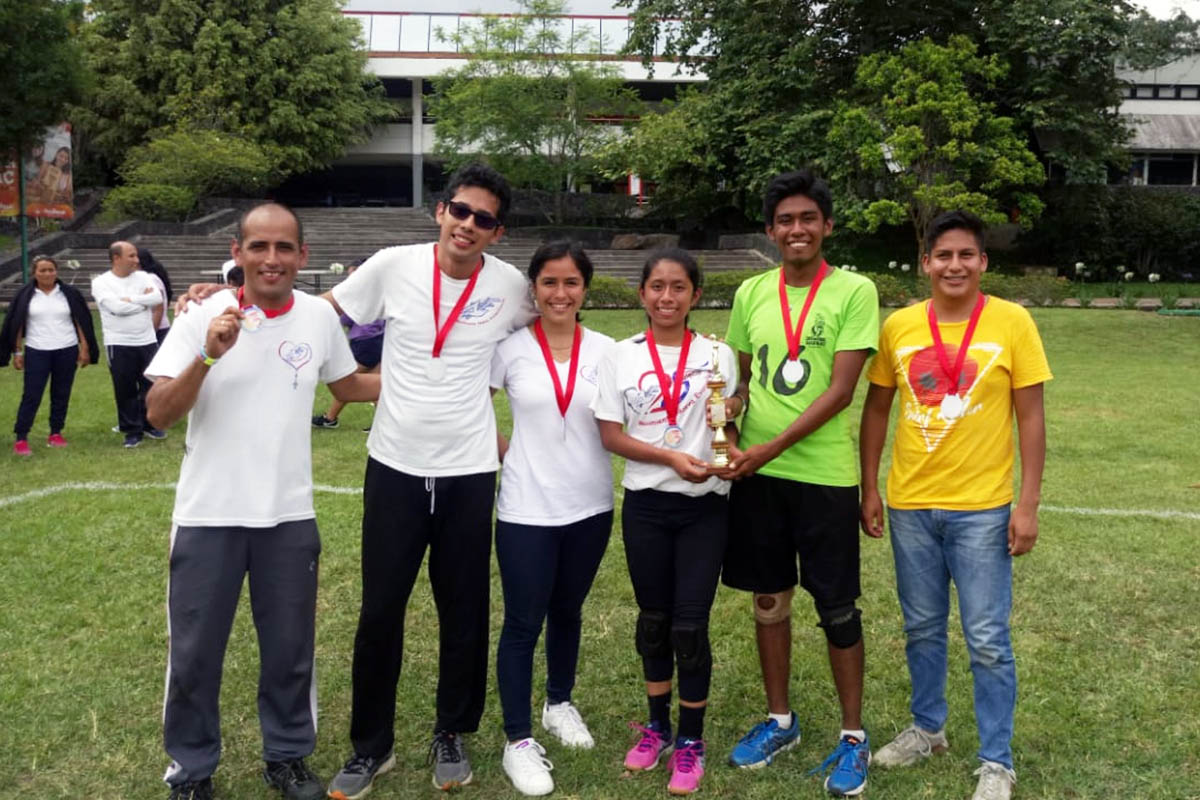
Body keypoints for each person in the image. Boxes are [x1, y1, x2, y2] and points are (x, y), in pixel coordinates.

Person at [145, 203, 380, 800]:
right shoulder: (202, 315)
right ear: (237, 251)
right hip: (208, 515)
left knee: (290, 648)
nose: (271, 259)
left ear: (302, 255)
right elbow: (159, 414)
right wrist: (207, 356)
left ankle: (288, 757)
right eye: (259, 246)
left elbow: (347, 385)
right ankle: (192, 771)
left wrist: (434, 374)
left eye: (284, 248)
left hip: (288, 515)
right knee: (195, 654)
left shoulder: (318, 318)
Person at [324, 163, 536, 798]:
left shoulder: (511, 285)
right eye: (461, 211)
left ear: (498, 233)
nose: (469, 225)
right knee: (380, 610)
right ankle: (371, 746)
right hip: (394, 465)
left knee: (463, 607)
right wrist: (232, 299)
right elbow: (319, 315)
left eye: (485, 219)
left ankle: (452, 731)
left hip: (470, 469)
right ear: (440, 211)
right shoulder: (392, 264)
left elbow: (556, 321)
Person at [859, 211, 1051, 800]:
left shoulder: (1013, 322)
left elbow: (1031, 415)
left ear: (983, 263)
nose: (954, 265)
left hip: (983, 508)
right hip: (911, 504)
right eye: (943, 256)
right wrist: (870, 487)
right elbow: (876, 410)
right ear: (926, 263)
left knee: (987, 636)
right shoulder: (900, 326)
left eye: (967, 255)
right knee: (921, 628)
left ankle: (997, 759)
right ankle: (927, 729)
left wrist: (1029, 503)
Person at [721, 169, 879, 796]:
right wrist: (729, 433)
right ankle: (779, 719)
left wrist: (765, 449)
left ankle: (852, 736)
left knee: (837, 606)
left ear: (827, 226)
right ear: (770, 231)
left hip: (822, 476)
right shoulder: (751, 293)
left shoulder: (854, 291)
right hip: (759, 478)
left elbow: (841, 392)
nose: (796, 229)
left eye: (807, 218)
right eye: (784, 220)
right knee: (768, 600)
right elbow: (737, 384)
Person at [591, 248, 738, 797]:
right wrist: (672, 458)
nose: (667, 297)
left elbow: (726, 421)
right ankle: (656, 727)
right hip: (648, 503)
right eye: (656, 286)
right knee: (654, 619)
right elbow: (611, 435)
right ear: (642, 294)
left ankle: (691, 739)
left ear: (696, 295)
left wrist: (731, 438)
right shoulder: (620, 357)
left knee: (689, 625)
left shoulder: (719, 355)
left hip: (706, 505)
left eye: (679, 287)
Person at [490, 241, 615, 796]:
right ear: (533, 289)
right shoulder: (510, 349)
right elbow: (470, 403)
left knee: (568, 609)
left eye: (570, 283)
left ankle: (559, 703)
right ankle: (518, 740)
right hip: (525, 509)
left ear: (584, 289)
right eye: (548, 283)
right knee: (523, 621)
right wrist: (507, 452)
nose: (559, 293)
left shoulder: (611, 351)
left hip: (590, 505)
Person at [0, 255, 99, 454]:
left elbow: (81, 321)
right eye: (42, 270)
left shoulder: (69, 293)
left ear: (56, 271)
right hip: (37, 350)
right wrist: (17, 351)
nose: (47, 274)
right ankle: (21, 437)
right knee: (31, 395)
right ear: (34, 273)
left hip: (67, 349)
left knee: (61, 394)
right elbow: (17, 324)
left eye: (51, 270)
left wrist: (85, 348)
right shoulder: (25, 295)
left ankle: (55, 433)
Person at [91, 241, 167, 448]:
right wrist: (142, 303)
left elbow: (157, 298)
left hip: (147, 340)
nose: (136, 260)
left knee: (150, 384)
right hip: (119, 342)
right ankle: (132, 430)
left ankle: (150, 423)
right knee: (124, 388)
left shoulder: (144, 277)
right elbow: (116, 308)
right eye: (131, 256)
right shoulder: (101, 282)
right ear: (116, 258)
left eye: (136, 255)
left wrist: (130, 299)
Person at [312, 261, 384, 431]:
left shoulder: (363, 296)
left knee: (347, 383)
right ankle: (381, 423)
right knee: (376, 384)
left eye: (354, 276)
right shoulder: (378, 293)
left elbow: (346, 318)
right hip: (377, 340)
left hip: (366, 342)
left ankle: (330, 418)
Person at [138, 247, 173, 345]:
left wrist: (150, 335)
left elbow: (158, 309)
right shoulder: (146, 278)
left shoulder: (150, 279)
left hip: (157, 330)